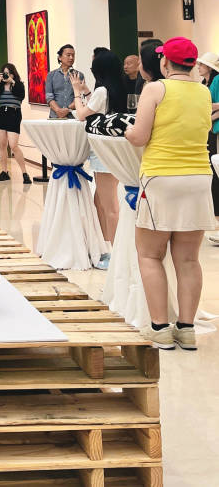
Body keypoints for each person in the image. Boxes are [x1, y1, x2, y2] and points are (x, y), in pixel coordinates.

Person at [125, 37, 213, 350]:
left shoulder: (155, 89)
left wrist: (127, 130)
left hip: (161, 177)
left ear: (164, 62)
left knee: (150, 255)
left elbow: (139, 136)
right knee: (188, 259)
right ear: (192, 64)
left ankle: (160, 328)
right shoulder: (203, 91)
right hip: (199, 178)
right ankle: (186, 329)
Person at [72, 50, 127, 269]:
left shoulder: (103, 91)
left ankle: (116, 254)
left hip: (103, 152)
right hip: (113, 149)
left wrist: (77, 92)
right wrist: (87, 91)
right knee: (100, 203)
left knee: (109, 206)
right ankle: (105, 248)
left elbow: (81, 114)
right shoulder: (117, 88)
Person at [0, 63, 30, 184]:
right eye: (4, 73)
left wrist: (12, 82)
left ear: (13, 74)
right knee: (2, 145)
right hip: (2, 114)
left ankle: (24, 173)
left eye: (8, 73)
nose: (6, 75)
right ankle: (4, 171)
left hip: (14, 114)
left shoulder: (18, 84)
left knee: (13, 145)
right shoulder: (1, 85)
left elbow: (21, 95)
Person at [196, 52, 219, 246]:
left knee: (215, 169)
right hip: (210, 128)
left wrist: (206, 114)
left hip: (215, 129)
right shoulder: (205, 83)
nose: (198, 67)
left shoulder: (216, 80)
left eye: (201, 64)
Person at [45, 45, 89, 119]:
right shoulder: (51, 75)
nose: (71, 58)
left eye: (73, 55)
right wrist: (58, 111)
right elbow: (49, 97)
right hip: (55, 116)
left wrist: (67, 109)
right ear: (60, 57)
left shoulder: (79, 75)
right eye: (68, 55)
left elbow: (80, 96)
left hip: (73, 117)